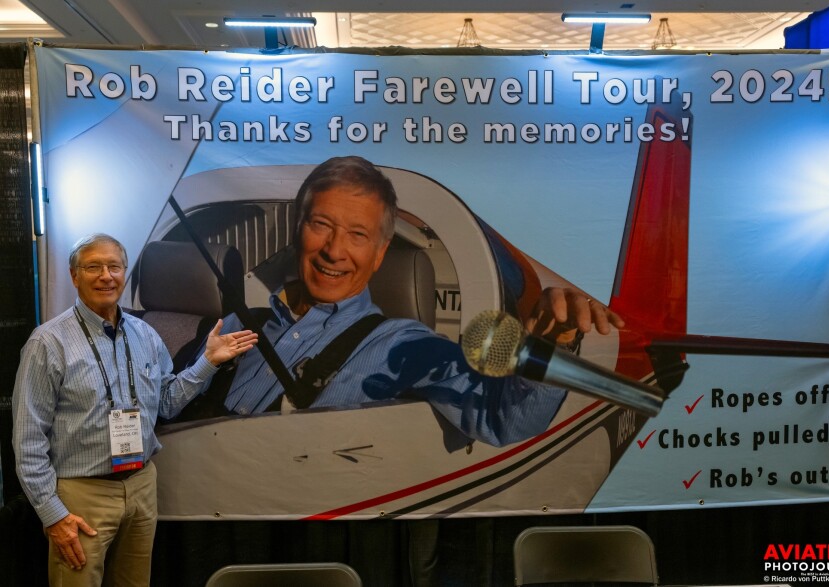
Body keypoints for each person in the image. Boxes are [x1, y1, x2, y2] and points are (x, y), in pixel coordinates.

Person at [210, 156, 624, 447]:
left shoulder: (404, 345)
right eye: (322, 225)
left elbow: (503, 421)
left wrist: (547, 350)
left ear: (379, 254)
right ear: (299, 231)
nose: (334, 250)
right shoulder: (235, 326)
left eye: (358, 235)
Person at [12, 233, 258, 587]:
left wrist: (207, 361)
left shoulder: (145, 334)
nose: (105, 276)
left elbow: (168, 402)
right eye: (93, 266)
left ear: (124, 273)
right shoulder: (48, 343)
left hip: (141, 486)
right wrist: (53, 515)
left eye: (114, 266)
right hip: (82, 496)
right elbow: (27, 439)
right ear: (74, 275)